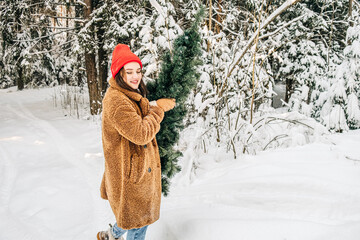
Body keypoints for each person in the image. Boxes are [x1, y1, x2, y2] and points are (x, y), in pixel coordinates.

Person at [97, 44, 176, 240]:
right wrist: (157, 109)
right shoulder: (117, 101)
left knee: (131, 217)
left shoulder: (126, 95)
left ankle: (111, 235)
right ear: (119, 74)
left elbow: (134, 119)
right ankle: (113, 234)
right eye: (129, 72)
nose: (135, 76)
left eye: (138, 71)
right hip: (131, 177)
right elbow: (141, 133)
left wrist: (149, 106)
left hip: (131, 173)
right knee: (138, 223)